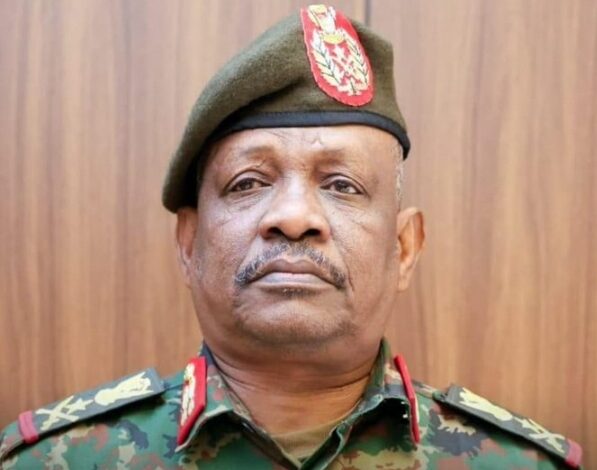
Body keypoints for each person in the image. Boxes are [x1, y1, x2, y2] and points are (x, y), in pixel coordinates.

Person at [0, 4, 583, 469]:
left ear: (403, 248)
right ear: (189, 244)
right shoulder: (56, 459)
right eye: (249, 183)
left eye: (343, 185)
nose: (295, 217)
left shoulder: (519, 463)